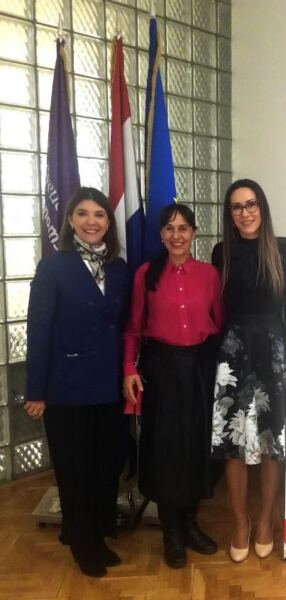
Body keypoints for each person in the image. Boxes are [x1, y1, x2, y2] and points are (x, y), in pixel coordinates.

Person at [24, 187, 130, 578]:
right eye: (82, 214)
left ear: (108, 222)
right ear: (70, 221)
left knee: (106, 464)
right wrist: (36, 390)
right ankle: (85, 544)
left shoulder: (118, 269)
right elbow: (38, 330)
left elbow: (124, 326)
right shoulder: (53, 267)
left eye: (99, 214)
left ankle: (92, 530)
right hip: (66, 388)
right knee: (74, 469)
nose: (91, 221)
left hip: (109, 385)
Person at [123, 203, 223, 569]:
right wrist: (128, 369)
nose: (176, 235)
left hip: (199, 369)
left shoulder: (209, 275)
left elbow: (219, 322)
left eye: (183, 228)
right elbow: (133, 328)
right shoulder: (145, 275)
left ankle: (190, 524)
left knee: (195, 447)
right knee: (166, 451)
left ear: (193, 233)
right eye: (169, 228)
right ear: (161, 235)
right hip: (161, 372)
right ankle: (171, 531)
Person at [211, 178, 286, 562]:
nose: (245, 213)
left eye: (251, 204)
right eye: (237, 206)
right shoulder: (221, 252)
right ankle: (240, 521)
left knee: (271, 442)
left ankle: (265, 520)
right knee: (235, 443)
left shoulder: (284, 249)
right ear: (230, 214)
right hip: (234, 351)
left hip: (274, 350)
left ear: (263, 207)